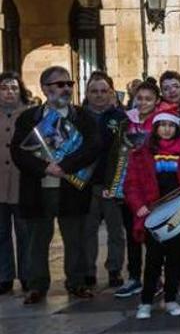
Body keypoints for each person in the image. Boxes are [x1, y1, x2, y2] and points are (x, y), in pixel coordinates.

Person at [11, 66, 99, 304]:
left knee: (75, 238)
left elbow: (92, 147)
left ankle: (77, 282)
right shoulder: (29, 118)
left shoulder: (82, 117)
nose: (66, 89)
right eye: (60, 84)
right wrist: (45, 168)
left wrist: (66, 166)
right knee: (37, 239)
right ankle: (37, 286)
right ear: (45, 88)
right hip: (38, 188)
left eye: (69, 84)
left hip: (71, 187)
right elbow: (20, 153)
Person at [124, 104, 180, 319]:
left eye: (171, 125)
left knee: (175, 259)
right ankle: (146, 301)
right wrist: (138, 205)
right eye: (163, 125)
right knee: (152, 259)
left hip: (179, 214)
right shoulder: (141, 154)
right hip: (152, 213)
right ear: (155, 127)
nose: (167, 129)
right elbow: (131, 183)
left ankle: (170, 299)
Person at [107, 80, 160, 299]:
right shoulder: (124, 122)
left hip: (153, 185)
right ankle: (134, 276)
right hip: (129, 185)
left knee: (153, 235)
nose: (143, 103)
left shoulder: (161, 122)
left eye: (148, 99)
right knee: (132, 233)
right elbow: (115, 152)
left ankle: (155, 278)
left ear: (156, 101)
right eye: (140, 98)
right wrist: (112, 184)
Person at [82, 71, 127, 289]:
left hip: (113, 183)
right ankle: (88, 271)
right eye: (94, 91)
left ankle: (115, 269)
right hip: (85, 184)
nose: (99, 95)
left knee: (116, 230)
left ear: (111, 93)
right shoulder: (77, 116)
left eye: (104, 91)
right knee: (87, 230)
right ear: (87, 93)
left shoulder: (121, 118)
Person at [0, 71, 30, 295]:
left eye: (13, 88)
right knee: (1, 233)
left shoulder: (29, 114)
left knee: (25, 233)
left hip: (22, 183)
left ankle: (28, 275)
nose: (9, 92)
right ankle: (4, 275)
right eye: (4, 88)